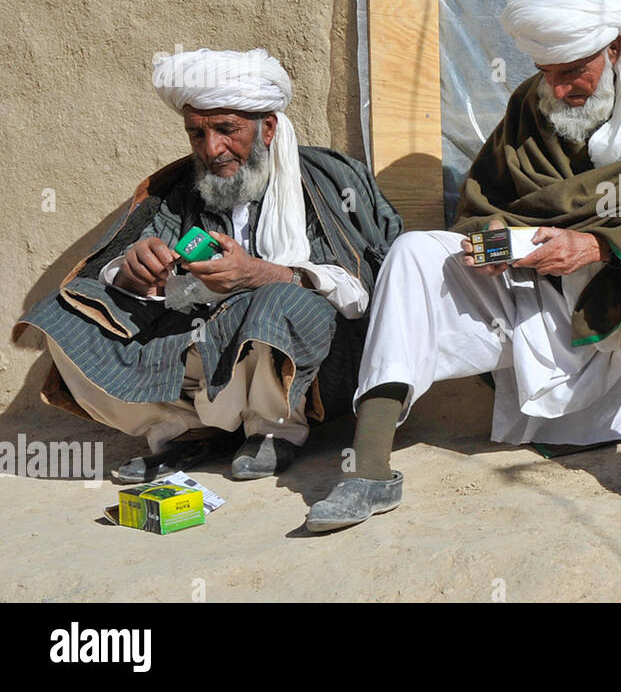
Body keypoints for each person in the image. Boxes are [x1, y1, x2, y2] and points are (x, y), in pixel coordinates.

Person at [306, 0, 621, 534]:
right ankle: (369, 468)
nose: (559, 90)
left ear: (613, 49)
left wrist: (597, 244)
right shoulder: (530, 107)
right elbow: (487, 205)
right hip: (540, 300)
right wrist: (498, 245)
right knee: (415, 252)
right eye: (548, 75)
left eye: (575, 74)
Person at [15, 48, 402, 482]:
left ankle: (273, 433)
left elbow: (366, 289)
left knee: (281, 299)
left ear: (267, 128)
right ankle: (188, 432)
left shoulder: (330, 179)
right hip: (197, 341)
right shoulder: (183, 188)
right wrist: (131, 272)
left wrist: (261, 273)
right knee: (69, 309)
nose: (211, 149)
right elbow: (125, 267)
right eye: (196, 134)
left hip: (308, 359)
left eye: (225, 129)